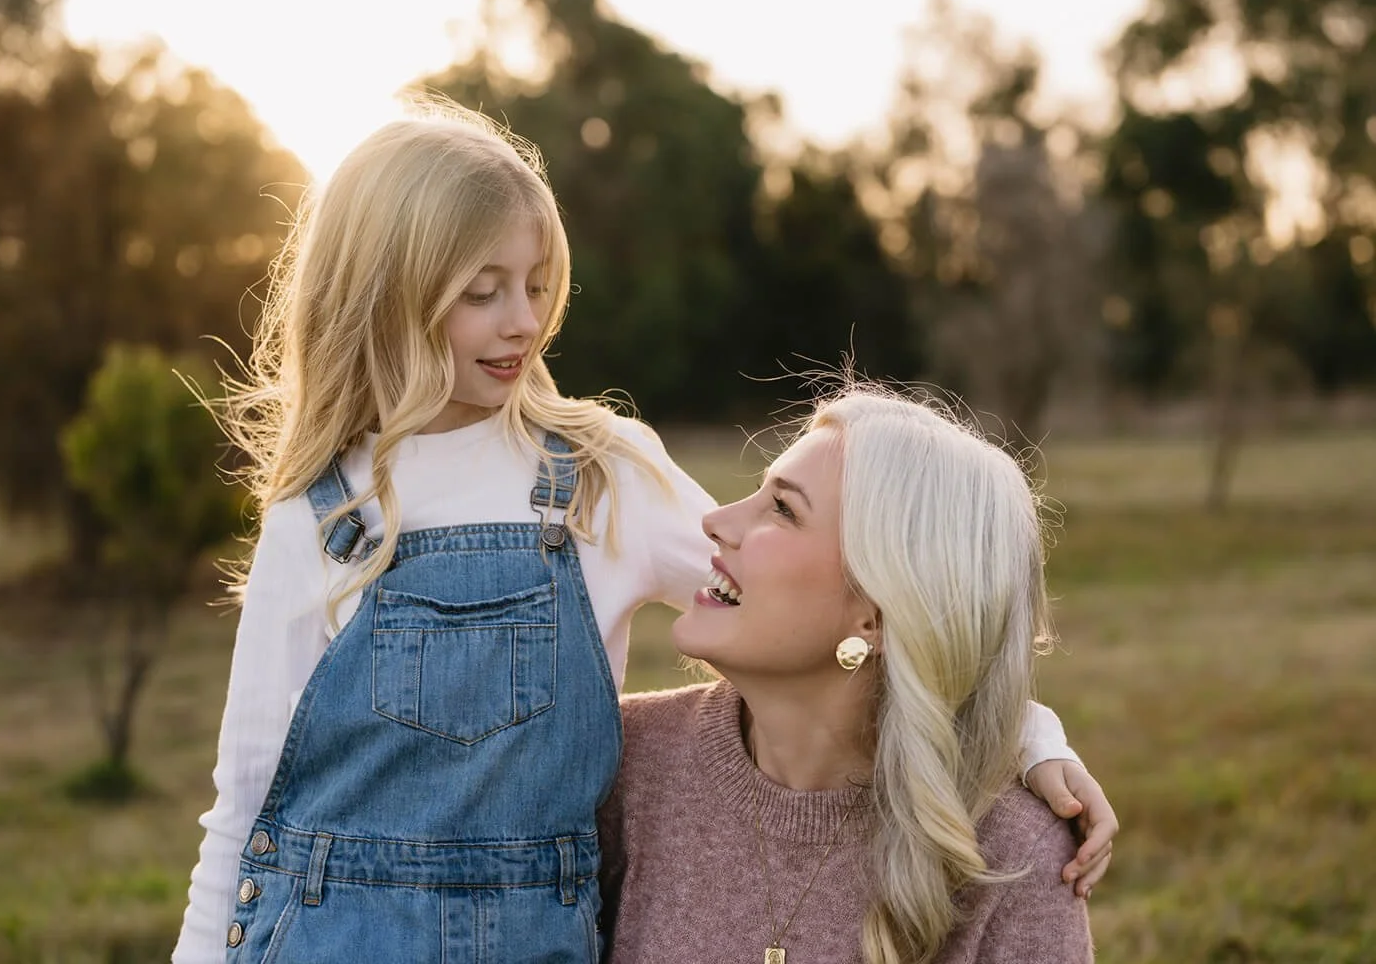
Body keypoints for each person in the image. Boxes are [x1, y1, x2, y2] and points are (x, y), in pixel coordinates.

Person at [172, 102, 1110, 962]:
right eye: (483, 291)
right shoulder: (322, 508)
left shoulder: (596, 473)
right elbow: (247, 801)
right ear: (387, 293)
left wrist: (1024, 730)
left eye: (539, 284)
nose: (525, 322)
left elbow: (854, 604)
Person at [600, 386, 1106, 964]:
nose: (716, 520)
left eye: (783, 509)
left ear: (877, 615)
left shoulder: (1015, 857)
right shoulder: (623, 765)